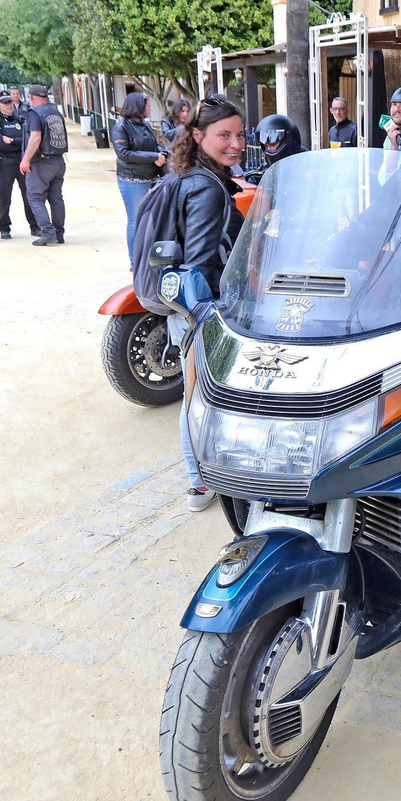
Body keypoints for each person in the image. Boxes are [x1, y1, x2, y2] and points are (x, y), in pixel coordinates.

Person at [164, 95, 248, 512]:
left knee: (196, 392)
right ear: (198, 136)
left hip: (188, 305)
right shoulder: (206, 188)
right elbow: (198, 261)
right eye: (224, 135)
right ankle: (200, 482)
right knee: (199, 395)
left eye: (240, 134)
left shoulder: (190, 175)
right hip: (202, 309)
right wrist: (207, 316)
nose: (235, 143)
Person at [112, 91, 167, 261]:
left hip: (150, 177)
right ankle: (135, 260)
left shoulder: (146, 126)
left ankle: (147, 256)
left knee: (150, 220)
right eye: (147, 105)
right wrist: (153, 157)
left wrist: (160, 155)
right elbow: (124, 153)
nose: (150, 109)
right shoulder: (121, 127)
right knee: (136, 220)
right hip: (132, 180)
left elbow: (155, 145)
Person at [20, 85, 69, 246]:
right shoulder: (56, 112)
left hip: (41, 162)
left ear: (32, 97)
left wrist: (25, 159)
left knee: (35, 197)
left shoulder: (35, 113)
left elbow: (35, 138)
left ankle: (48, 233)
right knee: (56, 197)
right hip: (59, 161)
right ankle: (59, 233)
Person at [0, 93, 39, 239]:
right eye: (5, 103)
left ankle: (34, 226)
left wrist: (13, 141)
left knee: (28, 196)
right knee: (4, 198)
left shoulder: (21, 120)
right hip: (5, 165)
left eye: (10, 102)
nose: (9, 105)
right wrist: (17, 143)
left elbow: (28, 141)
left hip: (22, 162)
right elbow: (0, 145)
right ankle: (4, 227)